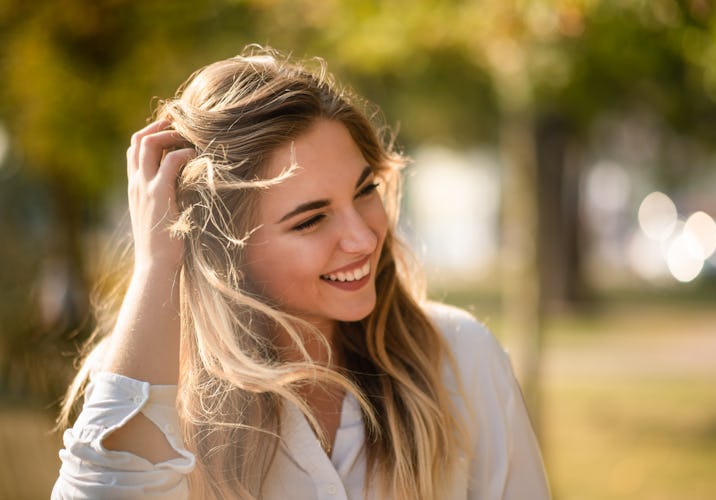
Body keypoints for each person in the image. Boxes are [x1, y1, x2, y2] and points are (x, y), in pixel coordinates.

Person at [52, 45, 550, 500]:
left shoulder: (461, 358)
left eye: (364, 191)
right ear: (226, 253)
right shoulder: (147, 385)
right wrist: (157, 264)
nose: (363, 238)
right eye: (311, 219)